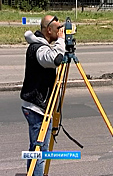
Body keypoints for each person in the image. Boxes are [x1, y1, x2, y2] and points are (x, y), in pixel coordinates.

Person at [20, 15, 66, 175]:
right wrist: (61, 41)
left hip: (36, 105)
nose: (61, 31)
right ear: (49, 30)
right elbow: (55, 59)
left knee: (35, 149)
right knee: (39, 151)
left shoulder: (41, 45)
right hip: (36, 107)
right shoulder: (39, 49)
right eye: (58, 29)